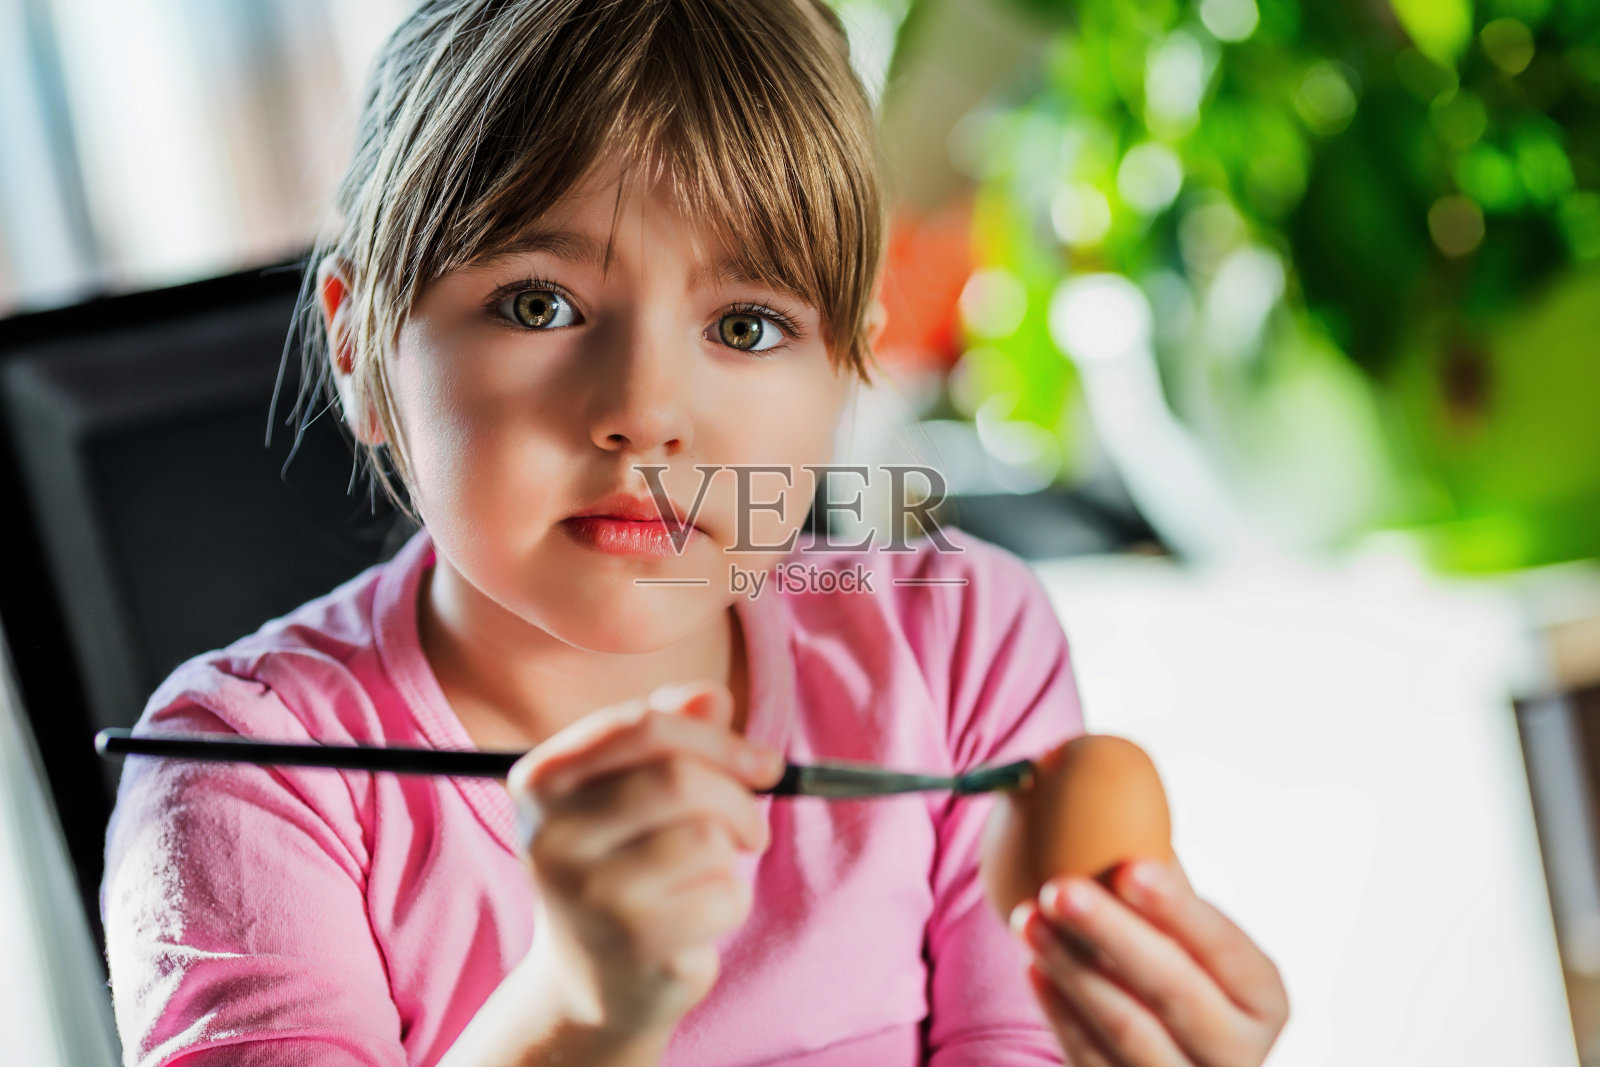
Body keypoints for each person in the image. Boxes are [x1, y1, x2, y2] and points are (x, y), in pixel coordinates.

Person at [100, 0, 1290, 1064]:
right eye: (538, 303)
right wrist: (571, 1018)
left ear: (851, 364)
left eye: (749, 324)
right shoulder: (244, 779)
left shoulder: (959, 645)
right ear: (361, 348)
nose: (643, 413)